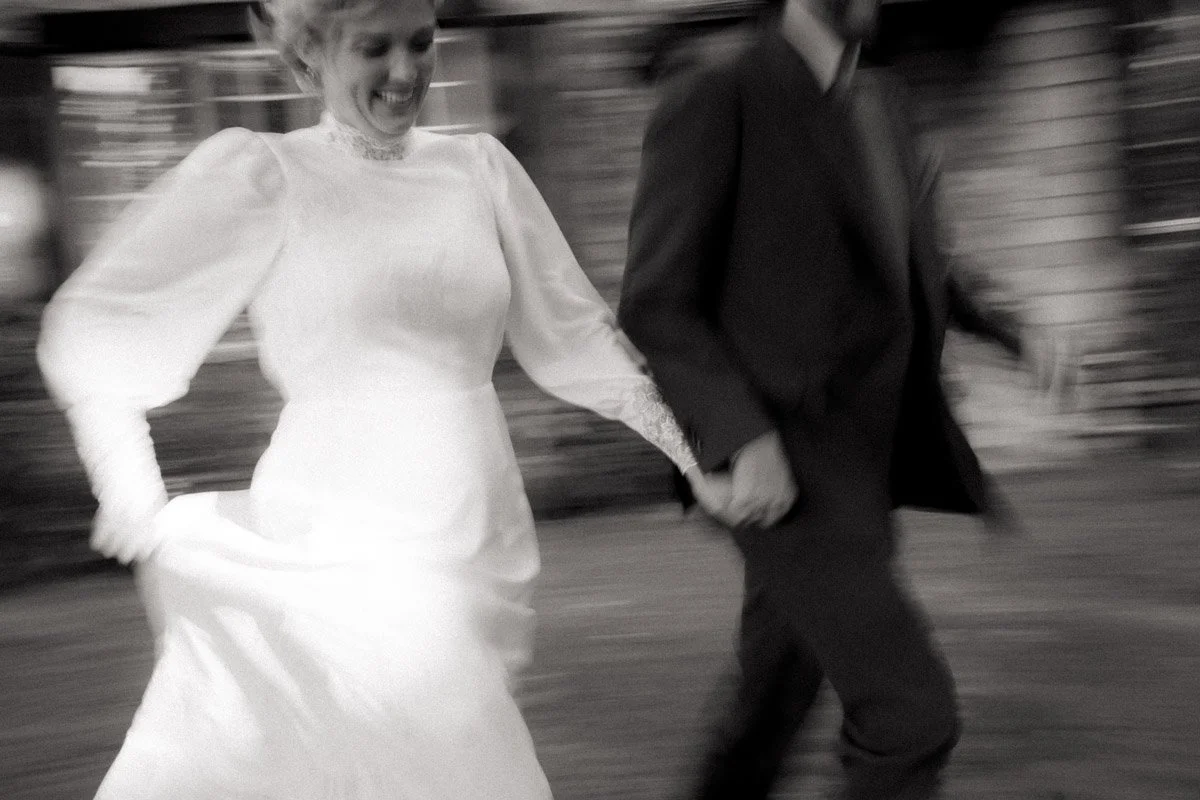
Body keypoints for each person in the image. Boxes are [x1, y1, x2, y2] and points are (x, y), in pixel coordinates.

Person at [36, 0, 705, 797]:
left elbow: (573, 336)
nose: (405, 71)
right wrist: (129, 486)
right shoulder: (266, 173)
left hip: (476, 524)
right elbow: (106, 319)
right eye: (374, 48)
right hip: (338, 521)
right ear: (309, 56)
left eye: (421, 43)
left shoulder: (480, 170)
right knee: (454, 753)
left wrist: (697, 449)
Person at [619, 1, 1043, 798]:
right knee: (911, 717)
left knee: (769, 705)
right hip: (784, 474)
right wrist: (745, 438)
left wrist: (1015, 335)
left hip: (864, 467)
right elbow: (657, 301)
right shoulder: (716, 91)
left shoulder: (881, 101)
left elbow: (919, 262)